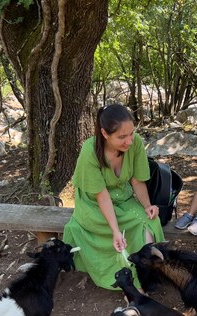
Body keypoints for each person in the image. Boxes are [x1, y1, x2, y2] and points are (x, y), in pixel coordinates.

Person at [62, 104, 165, 289]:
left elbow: (137, 181)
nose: (129, 141)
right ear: (104, 133)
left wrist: (147, 205)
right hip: (93, 203)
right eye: (122, 137)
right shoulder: (90, 151)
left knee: (147, 222)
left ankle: (145, 272)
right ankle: (125, 280)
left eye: (131, 133)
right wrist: (116, 230)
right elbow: (101, 196)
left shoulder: (136, 143)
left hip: (123, 197)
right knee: (112, 231)